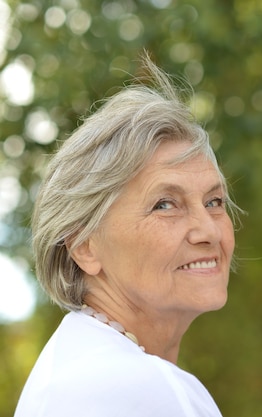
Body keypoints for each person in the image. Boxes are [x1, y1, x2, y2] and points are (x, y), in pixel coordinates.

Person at [14, 55, 238, 417]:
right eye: (165, 205)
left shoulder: (77, 365)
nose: (209, 230)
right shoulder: (141, 388)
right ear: (84, 246)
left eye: (214, 201)